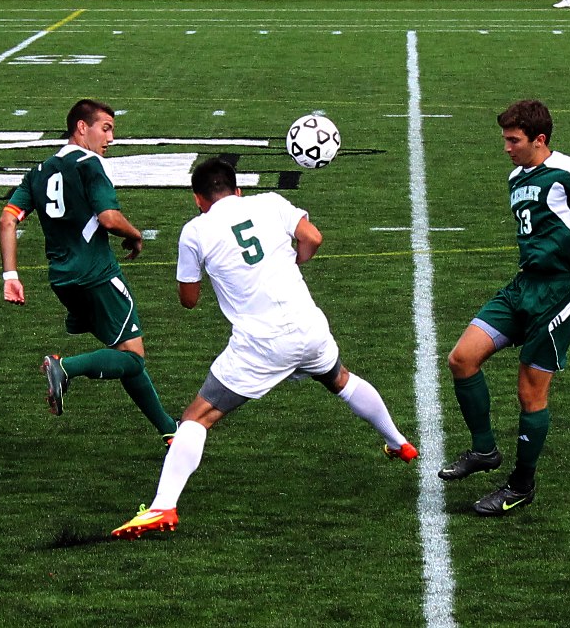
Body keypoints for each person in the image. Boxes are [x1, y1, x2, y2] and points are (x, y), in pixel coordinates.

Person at [111, 156, 418, 537]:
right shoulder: (271, 202)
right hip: (308, 325)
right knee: (339, 378)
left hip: (262, 343)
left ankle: (163, 507)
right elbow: (313, 238)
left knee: (196, 418)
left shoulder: (196, 230)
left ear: (198, 199)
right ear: (238, 190)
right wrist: (292, 264)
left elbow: (188, 300)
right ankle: (399, 442)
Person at [438, 100, 570, 517]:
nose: (506, 148)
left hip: (563, 290)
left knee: (530, 389)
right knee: (462, 359)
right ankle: (484, 450)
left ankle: (521, 485)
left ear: (539, 140)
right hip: (524, 285)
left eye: (514, 140)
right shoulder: (515, 177)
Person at [0, 98, 177, 446]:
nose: (110, 138)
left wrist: (11, 276)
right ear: (82, 127)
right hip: (97, 274)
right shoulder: (90, 163)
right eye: (106, 128)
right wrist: (136, 235)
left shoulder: (38, 172)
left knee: (121, 349)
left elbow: (7, 220)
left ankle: (170, 430)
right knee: (132, 358)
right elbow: (109, 219)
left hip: (63, 281)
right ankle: (65, 367)